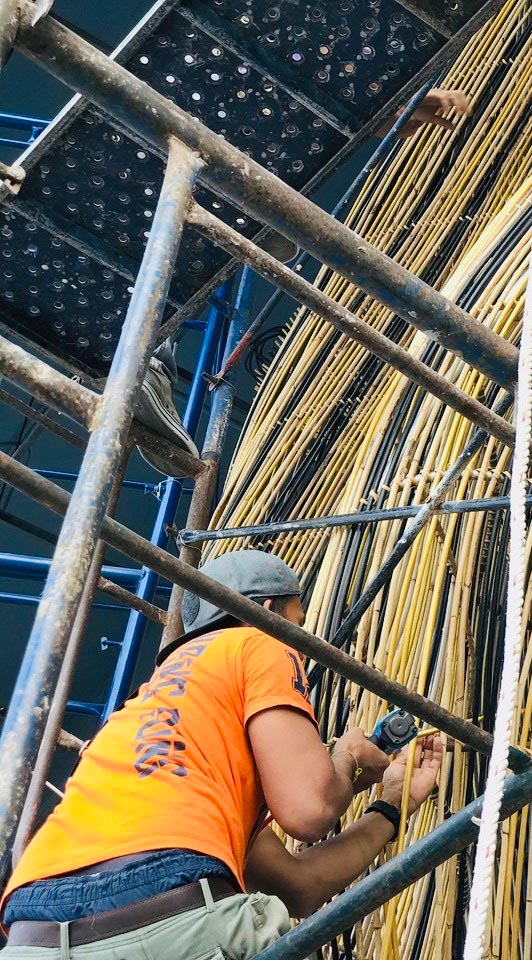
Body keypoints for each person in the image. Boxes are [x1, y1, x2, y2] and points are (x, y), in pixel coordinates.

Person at [1, 550, 443, 958]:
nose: (300, 640)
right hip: (167, 901)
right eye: (298, 623)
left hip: (31, 927)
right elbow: (310, 810)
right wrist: (344, 758)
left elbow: (298, 887)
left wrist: (391, 805)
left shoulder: (133, 721)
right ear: (266, 611)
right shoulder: (257, 641)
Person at [134, 87, 473, 478]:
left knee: (181, 242)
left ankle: (148, 361)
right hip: (215, 133)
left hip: (234, 137)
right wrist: (367, 101)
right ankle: (150, 363)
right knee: (166, 237)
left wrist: (371, 109)